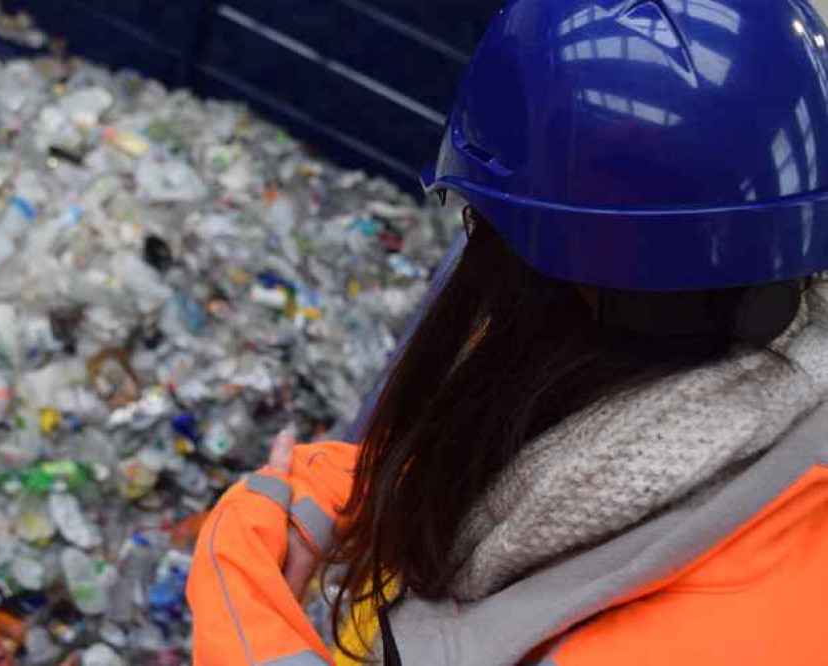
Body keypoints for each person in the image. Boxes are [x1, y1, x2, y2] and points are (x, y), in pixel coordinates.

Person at [188, 0, 828, 664]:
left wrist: (242, 603)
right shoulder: (771, 416)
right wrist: (333, 489)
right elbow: (512, 478)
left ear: (538, 284)